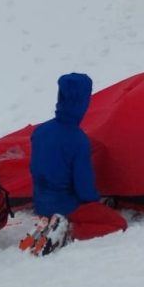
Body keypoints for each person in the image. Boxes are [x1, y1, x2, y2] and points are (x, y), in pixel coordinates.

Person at [22, 73, 126, 255]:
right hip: (67, 206)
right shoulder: (78, 140)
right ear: (83, 102)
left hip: (40, 203)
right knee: (118, 223)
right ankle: (67, 231)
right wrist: (96, 203)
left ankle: (49, 223)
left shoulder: (40, 131)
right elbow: (84, 187)